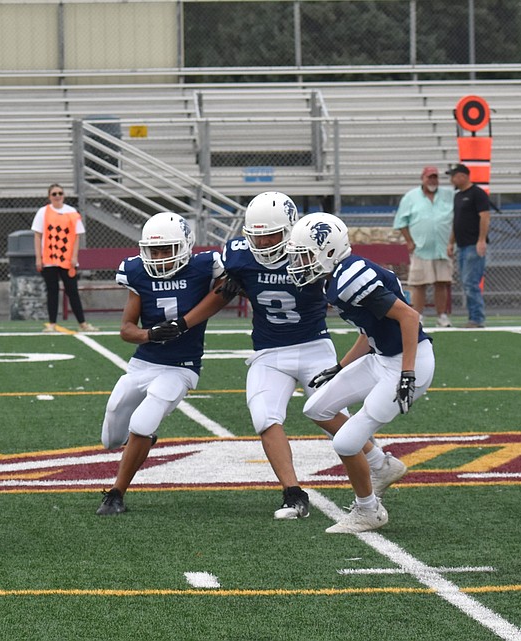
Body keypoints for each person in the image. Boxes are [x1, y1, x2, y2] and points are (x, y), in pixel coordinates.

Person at [169, 192, 407, 520]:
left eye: (271, 234)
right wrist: (184, 323)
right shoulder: (239, 256)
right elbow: (222, 293)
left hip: (314, 346)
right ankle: (293, 493)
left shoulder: (311, 252)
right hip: (268, 350)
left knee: (331, 415)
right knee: (264, 417)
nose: (263, 242)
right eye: (257, 235)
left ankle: (380, 463)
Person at [286, 212, 435, 534]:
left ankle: (369, 511)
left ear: (327, 251)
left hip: (409, 361)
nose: (299, 262)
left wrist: (407, 374)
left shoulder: (351, 278)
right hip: (382, 358)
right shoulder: (337, 278)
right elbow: (369, 331)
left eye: (305, 254)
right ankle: (382, 466)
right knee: (316, 407)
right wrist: (340, 367)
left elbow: (410, 318)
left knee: (346, 442)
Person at [96, 212, 223, 516]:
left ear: (185, 246)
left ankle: (116, 493)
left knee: (141, 423)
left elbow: (227, 290)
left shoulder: (205, 266)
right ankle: (143, 441)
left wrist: (184, 324)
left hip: (181, 366)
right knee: (111, 436)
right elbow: (126, 328)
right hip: (144, 363)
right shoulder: (137, 272)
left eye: (167, 249)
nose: (161, 257)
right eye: (155, 250)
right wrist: (148, 334)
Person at [32, 184, 98, 333]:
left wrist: (74, 257)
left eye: (60, 193)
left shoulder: (71, 212)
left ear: (64, 195)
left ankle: (82, 323)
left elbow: (76, 235)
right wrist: (38, 257)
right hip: (49, 259)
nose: (57, 196)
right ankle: (52, 324)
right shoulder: (43, 212)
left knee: (72, 291)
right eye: (54, 194)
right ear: (49, 196)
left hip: (67, 260)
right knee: (52, 291)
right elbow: (37, 235)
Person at [394, 166, 454, 328]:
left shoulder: (448, 195)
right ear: (423, 178)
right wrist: (409, 241)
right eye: (430, 177)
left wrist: (451, 242)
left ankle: (442, 316)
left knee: (441, 283)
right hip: (421, 248)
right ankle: (417, 316)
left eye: (435, 177)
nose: (433, 181)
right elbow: (401, 221)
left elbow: (456, 220)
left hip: (442, 248)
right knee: (419, 284)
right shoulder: (411, 197)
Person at [446, 163, 491, 328]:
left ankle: (477, 318)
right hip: (462, 245)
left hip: (473, 244)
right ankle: (474, 317)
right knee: (467, 282)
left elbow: (484, 217)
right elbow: (456, 221)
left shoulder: (477, 193)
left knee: (471, 281)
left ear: (463, 176)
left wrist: (481, 239)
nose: (451, 179)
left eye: (453, 175)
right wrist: (451, 242)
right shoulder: (458, 196)